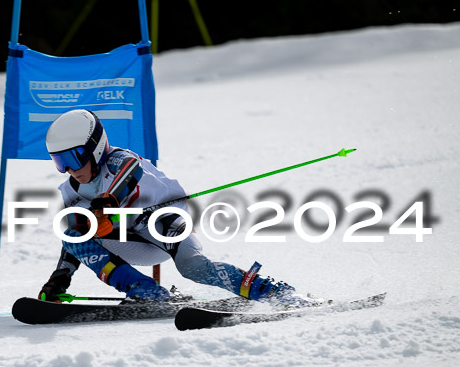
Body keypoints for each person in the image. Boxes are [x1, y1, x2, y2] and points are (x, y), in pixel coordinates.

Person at [39, 109, 319, 306]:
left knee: (193, 268)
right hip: (130, 241)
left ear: (95, 148)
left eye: (73, 159)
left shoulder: (118, 160)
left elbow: (130, 171)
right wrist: (60, 278)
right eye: (59, 162)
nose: (69, 170)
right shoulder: (70, 191)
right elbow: (74, 238)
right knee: (72, 231)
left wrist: (109, 201)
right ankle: (145, 291)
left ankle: (271, 292)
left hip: (162, 224)